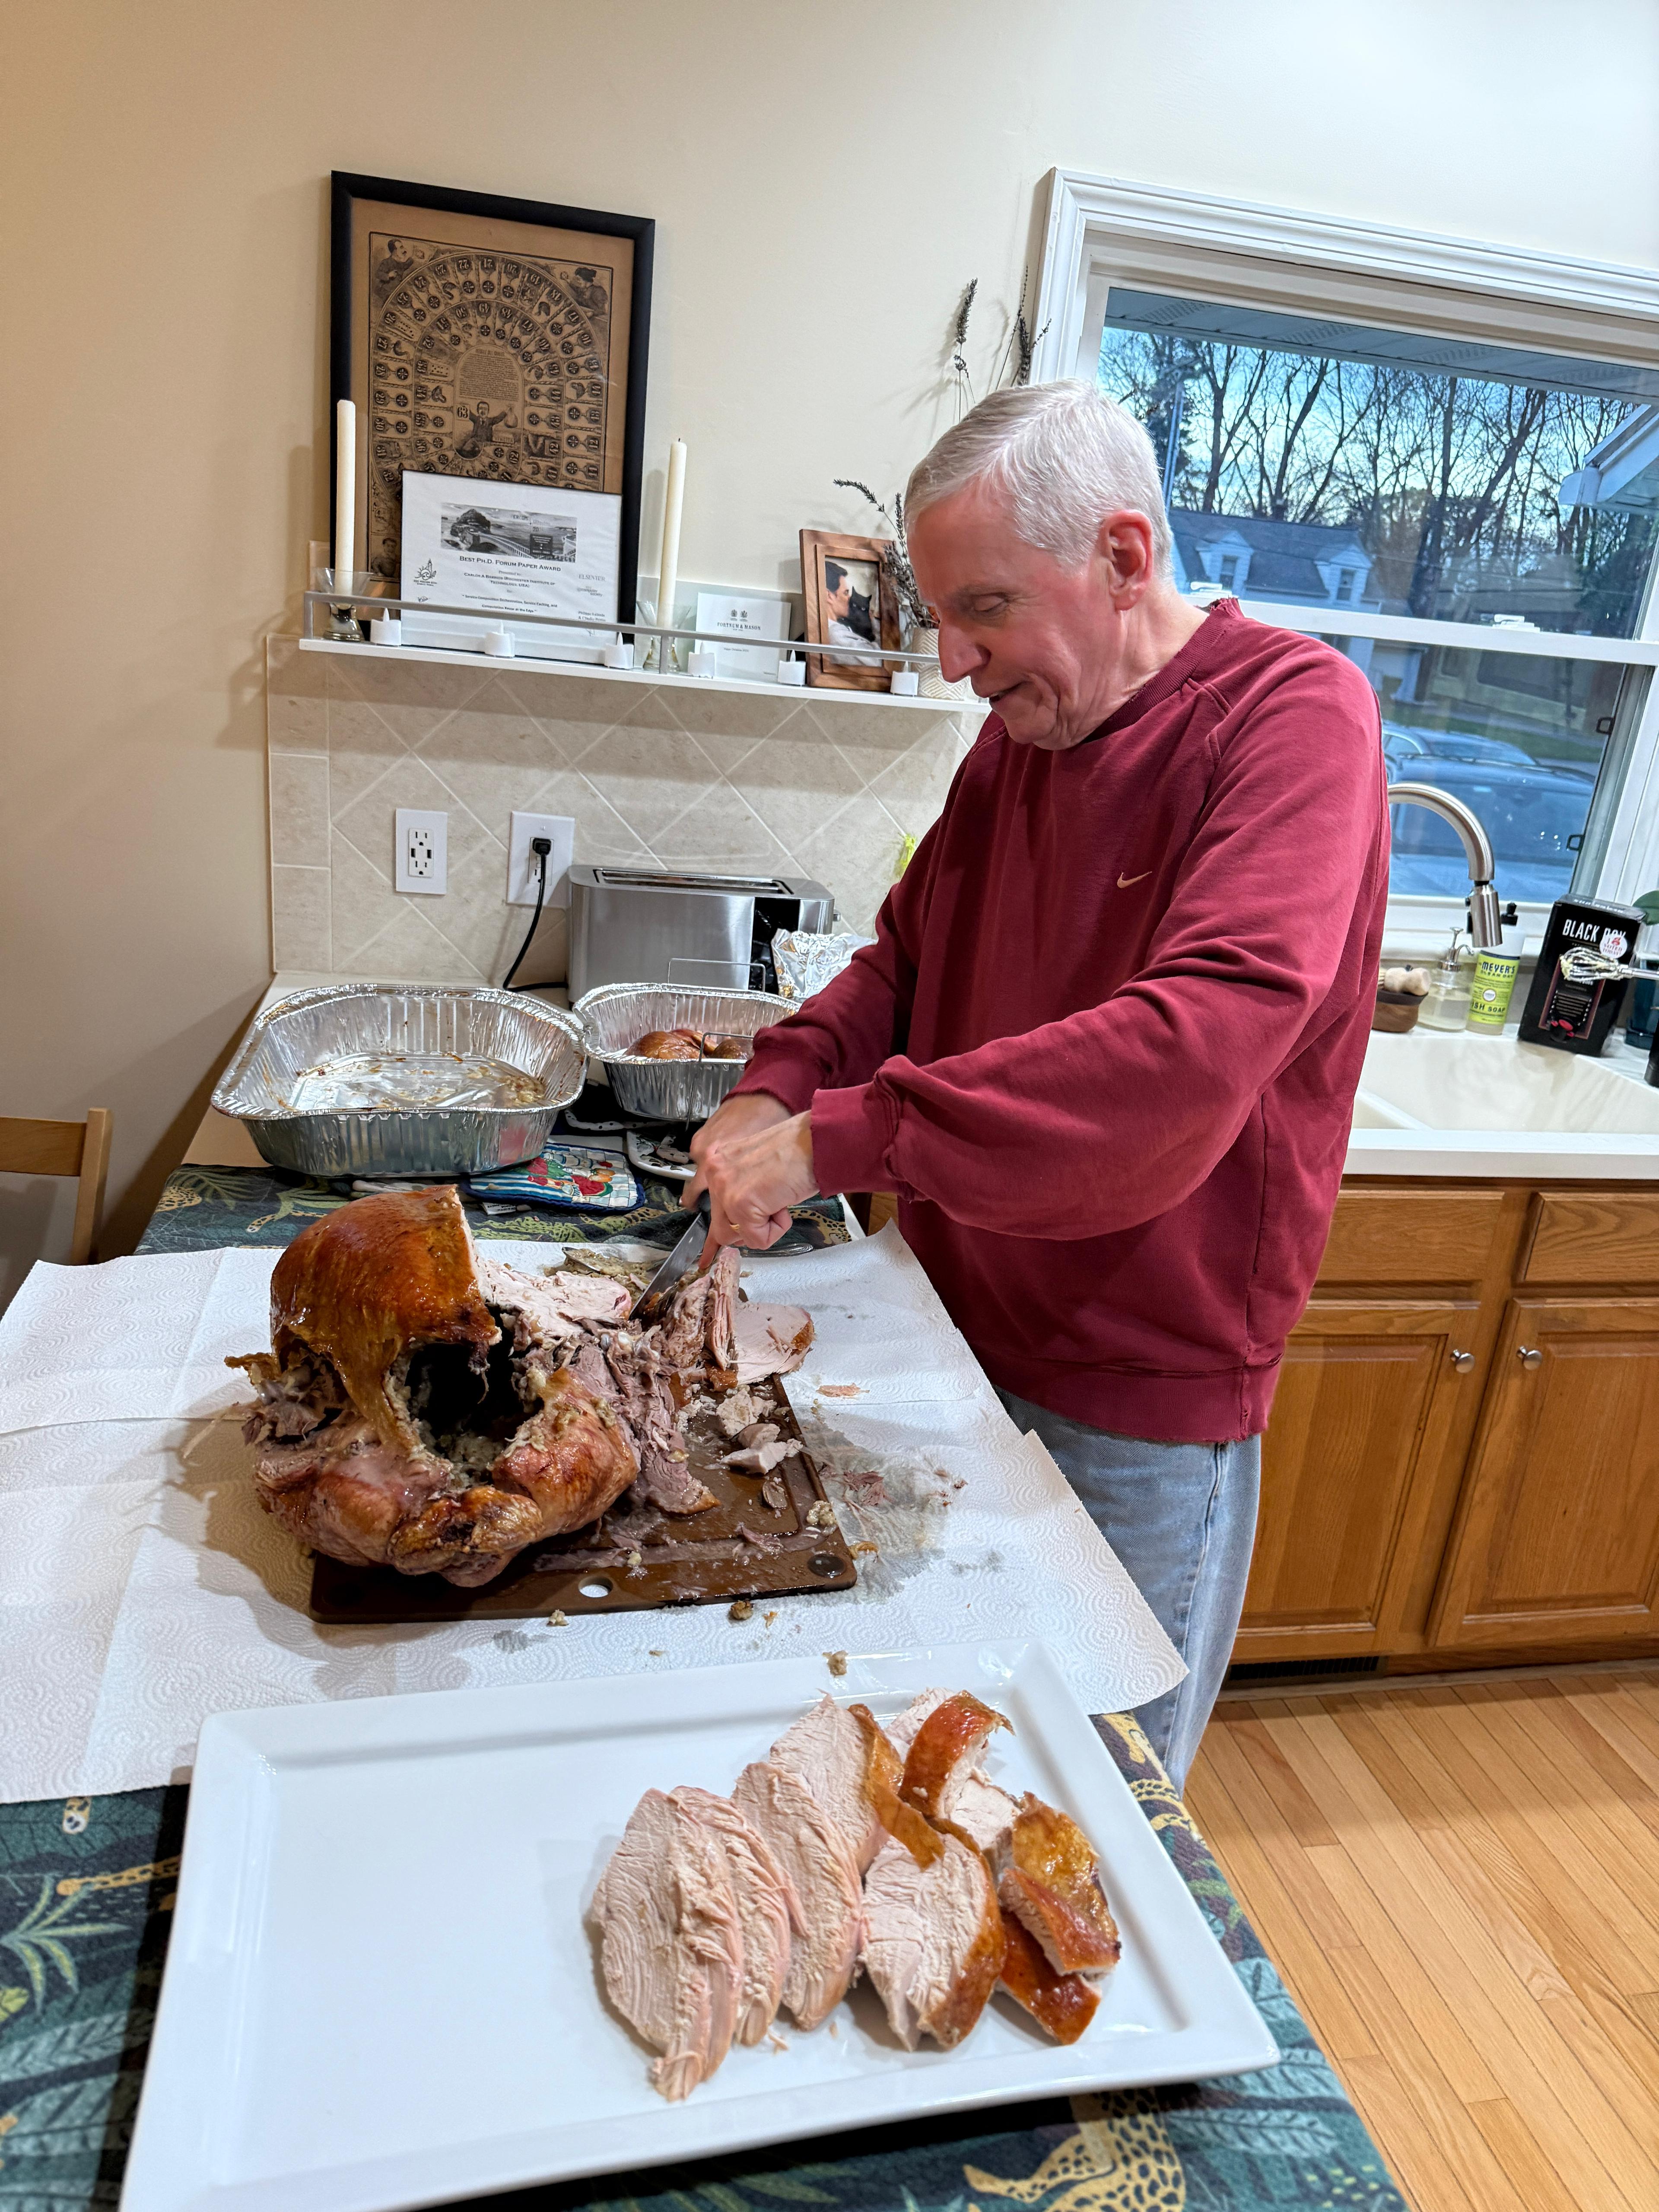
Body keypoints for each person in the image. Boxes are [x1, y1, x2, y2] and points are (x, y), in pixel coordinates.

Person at [687, 379, 1388, 1789]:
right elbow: (905, 965)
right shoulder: (1016, 747)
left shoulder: (1294, 718)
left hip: (1132, 1389)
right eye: (943, 617)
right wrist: (783, 1080)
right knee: (908, 1761)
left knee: (1086, 1797)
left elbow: (1187, 1052)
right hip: (939, 1328)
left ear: (1123, 557)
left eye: (985, 610)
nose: (956, 662)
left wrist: (840, 1141)